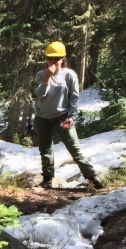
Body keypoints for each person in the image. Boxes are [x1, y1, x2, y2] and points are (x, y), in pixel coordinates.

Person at [33, 41, 101, 189]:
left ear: (62, 59)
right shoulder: (40, 74)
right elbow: (39, 95)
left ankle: (91, 177)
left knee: (74, 148)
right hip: (42, 117)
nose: (52, 61)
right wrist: (47, 78)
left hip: (62, 116)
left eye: (56, 58)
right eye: (49, 58)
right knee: (45, 149)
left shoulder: (69, 75)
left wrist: (71, 117)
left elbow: (74, 97)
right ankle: (47, 178)